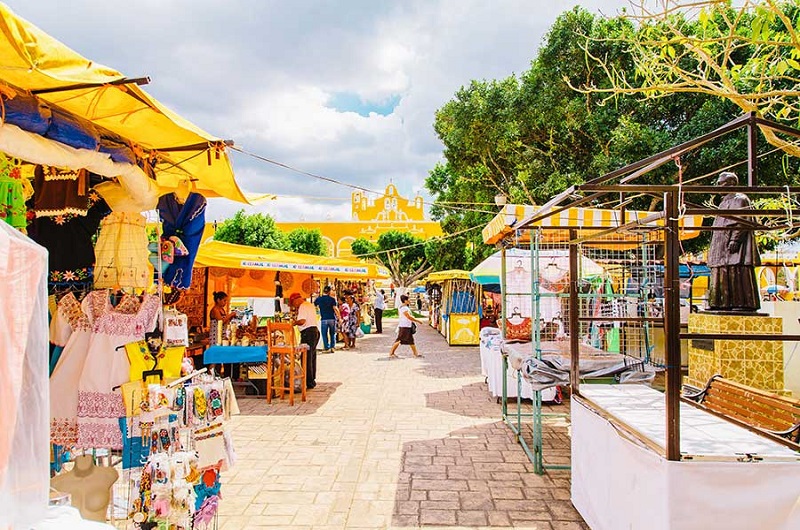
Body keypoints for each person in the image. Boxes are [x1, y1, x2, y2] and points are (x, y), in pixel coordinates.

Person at [707, 171, 761, 312]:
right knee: (721, 272)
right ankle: (721, 303)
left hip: (734, 247)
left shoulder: (740, 199)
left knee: (736, 272)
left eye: (720, 184)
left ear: (730, 184)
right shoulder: (724, 202)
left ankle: (741, 303)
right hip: (721, 246)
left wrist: (735, 239)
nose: (718, 187)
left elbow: (743, 221)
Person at [289, 292, 321, 389]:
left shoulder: (303, 306)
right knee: (311, 356)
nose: (294, 305)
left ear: (296, 300)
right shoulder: (309, 305)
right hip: (314, 331)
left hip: (308, 333)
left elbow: (302, 321)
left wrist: (294, 322)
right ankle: (312, 380)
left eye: (293, 303)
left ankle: (308, 381)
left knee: (306, 358)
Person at [390, 294, 424, 358]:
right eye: (408, 299)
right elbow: (408, 317)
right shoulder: (404, 308)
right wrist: (417, 320)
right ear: (405, 300)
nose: (409, 300)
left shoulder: (402, 307)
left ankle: (415, 354)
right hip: (404, 326)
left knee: (410, 340)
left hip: (406, 326)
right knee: (399, 340)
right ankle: (391, 353)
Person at [315, 286, 340, 353]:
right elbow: (335, 308)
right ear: (329, 291)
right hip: (331, 318)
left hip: (324, 319)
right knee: (332, 333)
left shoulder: (319, 299)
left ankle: (326, 347)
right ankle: (332, 347)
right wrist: (339, 317)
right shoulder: (332, 299)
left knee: (324, 334)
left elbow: (315, 305)